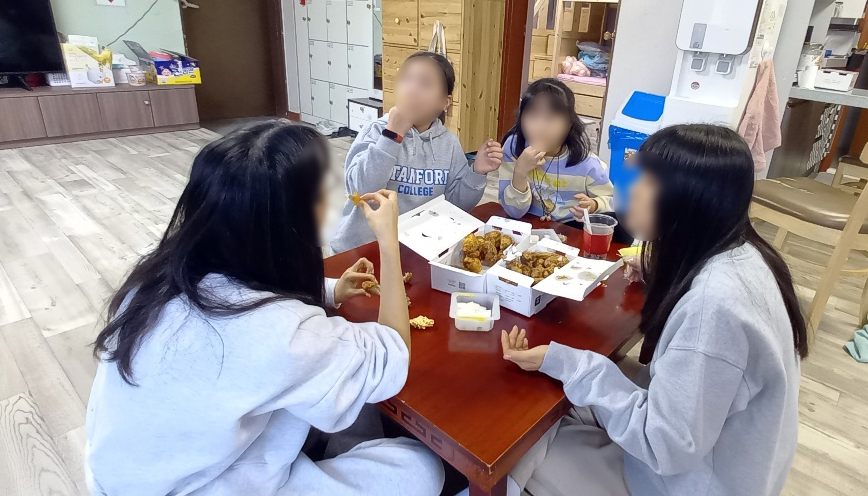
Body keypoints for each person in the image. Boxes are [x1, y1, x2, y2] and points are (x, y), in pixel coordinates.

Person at [84, 121, 444, 496]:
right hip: (205, 485)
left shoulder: (155, 280)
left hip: (131, 474)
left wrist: (331, 290)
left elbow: (234, 295)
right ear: (290, 222)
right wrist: (388, 241)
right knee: (421, 467)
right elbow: (391, 356)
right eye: (323, 194)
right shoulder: (281, 334)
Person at [500, 124, 807, 496]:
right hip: (719, 454)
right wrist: (664, 271)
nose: (633, 189)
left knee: (521, 447)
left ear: (686, 198)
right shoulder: (748, 255)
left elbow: (665, 444)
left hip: (688, 480)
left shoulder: (714, 308)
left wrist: (570, 362)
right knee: (556, 403)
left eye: (647, 180)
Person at [330, 51, 503, 253]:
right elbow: (360, 191)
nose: (412, 89)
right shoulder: (377, 131)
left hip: (417, 249)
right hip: (363, 250)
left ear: (445, 102)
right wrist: (391, 137)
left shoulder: (448, 144)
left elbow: (455, 207)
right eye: (406, 79)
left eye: (425, 83)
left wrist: (477, 172)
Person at [498, 78, 624, 237]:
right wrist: (520, 172)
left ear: (569, 124)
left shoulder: (588, 165)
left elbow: (616, 203)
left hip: (570, 233)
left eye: (550, 119)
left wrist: (594, 204)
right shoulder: (513, 148)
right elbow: (513, 212)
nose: (540, 127)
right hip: (525, 230)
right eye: (532, 116)